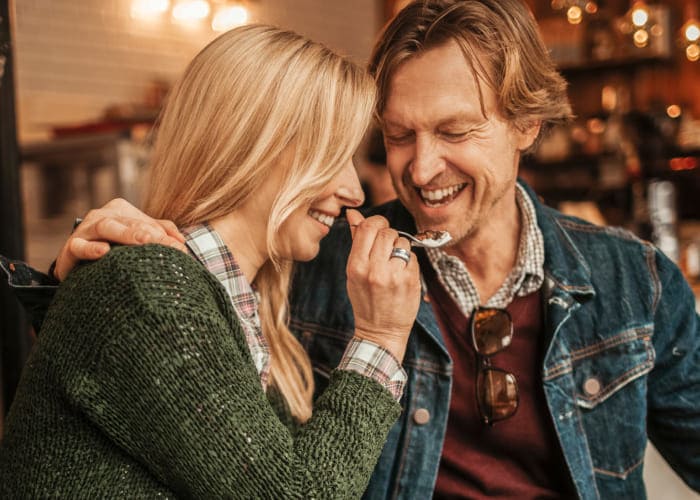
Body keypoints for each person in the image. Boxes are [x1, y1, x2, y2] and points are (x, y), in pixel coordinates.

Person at [3, 1, 699, 498]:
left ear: (529, 125)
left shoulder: (635, 280)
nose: (421, 171)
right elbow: (156, 358)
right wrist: (71, 284)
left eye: (454, 131)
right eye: (397, 137)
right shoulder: (314, 259)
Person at [0, 24, 423, 498]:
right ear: (255, 144)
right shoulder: (149, 287)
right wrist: (382, 338)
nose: (355, 192)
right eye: (333, 155)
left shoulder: (238, 310)